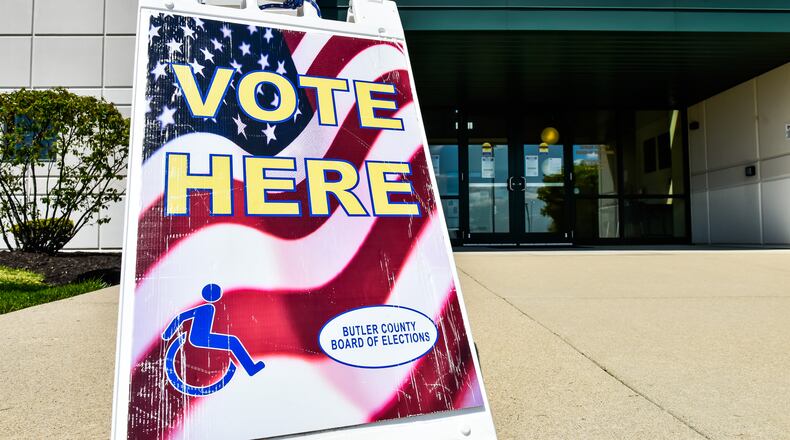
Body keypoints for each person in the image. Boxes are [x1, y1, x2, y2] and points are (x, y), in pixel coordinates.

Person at [162, 284, 265, 376]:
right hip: (201, 338)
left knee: (233, 341)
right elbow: (181, 317)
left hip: (203, 336)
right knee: (233, 342)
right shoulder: (205, 308)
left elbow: (181, 317)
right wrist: (167, 334)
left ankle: (250, 368)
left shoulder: (210, 308)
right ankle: (251, 368)